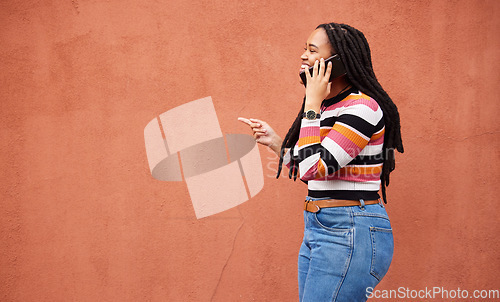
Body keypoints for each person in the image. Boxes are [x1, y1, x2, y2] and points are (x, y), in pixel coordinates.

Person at [239, 22, 404, 302]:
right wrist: (277, 142)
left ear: (337, 61)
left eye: (312, 50)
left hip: (349, 227)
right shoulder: (328, 107)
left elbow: (313, 167)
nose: (303, 56)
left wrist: (312, 105)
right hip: (319, 225)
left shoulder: (362, 108)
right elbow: (312, 171)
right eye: (304, 49)